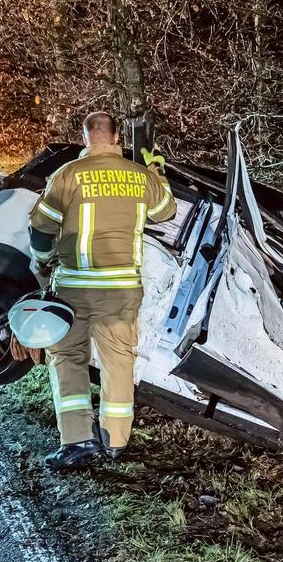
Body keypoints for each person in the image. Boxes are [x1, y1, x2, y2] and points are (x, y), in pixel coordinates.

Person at [28, 112, 176, 471]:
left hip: (74, 287)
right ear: (117, 138)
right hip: (121, 289)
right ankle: (115, 441)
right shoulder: (140, 177)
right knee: (118, 362)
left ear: (86, 138)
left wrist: (44, 260)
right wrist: (156, 169)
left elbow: (40, 229)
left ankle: (78, 441)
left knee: (67, 359)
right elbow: (166, 211)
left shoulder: (66, 176)